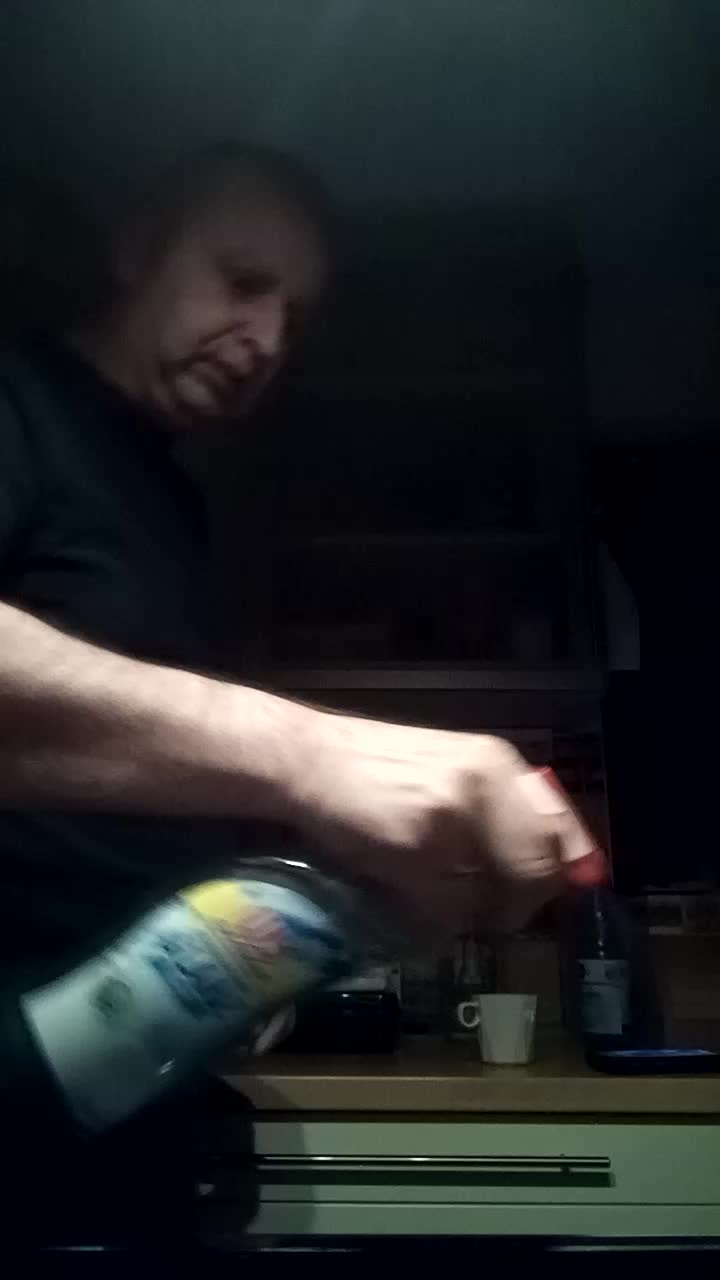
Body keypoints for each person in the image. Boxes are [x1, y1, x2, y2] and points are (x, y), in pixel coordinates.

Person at [0, 143, 577, 1246]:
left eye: (295, 319)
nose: (267, 339)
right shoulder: (15, 406)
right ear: (135, 245)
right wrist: (309, 754)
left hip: (117, 1104)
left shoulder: (170, 497)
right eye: (243, 281)